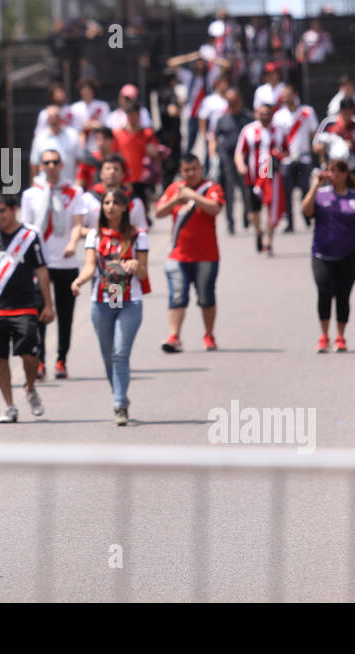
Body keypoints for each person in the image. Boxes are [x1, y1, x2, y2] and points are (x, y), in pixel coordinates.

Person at [0, 194, 53, 422]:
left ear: (14, 209)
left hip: (25, 307)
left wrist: (49, 304)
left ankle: (30, 388)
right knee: (0, 358)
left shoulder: (30, 235)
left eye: (2, 211)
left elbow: (42, 271)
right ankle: (9, 406)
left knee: (30, 356)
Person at [71, 189, 149, 427]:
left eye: (116, 202)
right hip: (104, 299)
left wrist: (136, 264)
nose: (110, 206)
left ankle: (118, 405)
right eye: (106, 202)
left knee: (120, 353)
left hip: (129, 299)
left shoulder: (137, 236)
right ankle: (121, 394)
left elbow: (145, 273)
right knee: (108, 356)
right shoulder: (95, 235)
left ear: (126, 207)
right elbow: (90, 267)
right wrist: (79, 281)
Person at [21, 149, 85, 379]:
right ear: (40, 166)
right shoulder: (31, 194)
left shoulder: (74, 191)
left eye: (55, 162)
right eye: (46, 162)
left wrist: (73, 242)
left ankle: (62, 359)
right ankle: (39, 360)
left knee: (65, 315)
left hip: (66, 262)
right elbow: (26, 229)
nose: (50, 166)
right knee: (39, 313)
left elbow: (78, 222)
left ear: (61, 165)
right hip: (41, 264)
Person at [302, 160, 355, 352]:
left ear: (344, 174)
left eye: (336, 172)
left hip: (349, 254)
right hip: (322, 253)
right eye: (330, 172)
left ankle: (340, 336)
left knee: (343, 295)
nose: (332, 175)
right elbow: (306, 210)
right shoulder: (320, 195)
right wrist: (314, 187)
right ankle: (324, 335)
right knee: (324, 292)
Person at [155, 154, 224, 353]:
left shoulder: (212, 188)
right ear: (181, 171)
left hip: (206, 255)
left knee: (206, 296)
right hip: (178, 254)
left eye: (194, 168)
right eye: (186, 170)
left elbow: (214, 208)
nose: (191, 173)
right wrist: (177, 199)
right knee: (177, 295)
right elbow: (159, 212)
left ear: (201, 168)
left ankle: (209, 334)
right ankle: (174, 336)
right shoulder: (175, 189)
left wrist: (193, 196)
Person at [235, 103, 287, 256]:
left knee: (271, 208)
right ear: (256, 113)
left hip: (271, 176)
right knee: (253, 213)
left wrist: (279, 155)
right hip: (252, 177)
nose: (265, 116)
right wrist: (241, 166)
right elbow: (240, 152)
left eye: (267, 113)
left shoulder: (278, 132)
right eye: (262, 113)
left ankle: (268, 242)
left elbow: (287, 151)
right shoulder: (249, 130)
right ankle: (259, 231)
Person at [273, 86, 319, 233]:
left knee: (305, 188)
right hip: (286, 159)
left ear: (295, 94)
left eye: (288, 95)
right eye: (283, 96)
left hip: (303, 157)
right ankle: (290, 222)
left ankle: (306, 214)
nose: (286, 98)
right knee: (287, 192)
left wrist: (318, 149)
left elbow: (314, 133)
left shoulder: (307, 112)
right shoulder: (279, 116)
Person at [313, 97, 355, 191]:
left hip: (354, 168)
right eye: (345, 111)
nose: (347, 114)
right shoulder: (329, 123)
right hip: (334, 168)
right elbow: (317, 144)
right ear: (340, 111)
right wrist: (324, 151)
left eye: (350, 111)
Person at [210, 90, 252, 235]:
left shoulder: (248, 118)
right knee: (229, 192)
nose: (232, 104)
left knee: (246, 189)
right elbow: (214, 138)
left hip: (243, 158)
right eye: (229, 102)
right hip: (227, 158)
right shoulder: (223, 120)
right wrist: (214, 156)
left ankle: (247, 215)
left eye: (234, 101)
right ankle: (230, 222)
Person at [111, 101, 162, 207]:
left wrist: (153, 152)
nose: (133, 117)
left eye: (135, 114)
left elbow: (157, 156)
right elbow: (113, 156)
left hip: (144, 179)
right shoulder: (117, 134)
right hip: (125, 179)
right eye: (130, 114)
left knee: (143, 209)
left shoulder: (147, 133)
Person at [30, 105, 80, 186]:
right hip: (45, 185)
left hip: (68, 184)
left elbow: (79, 160)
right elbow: (34, 163)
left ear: (61, 118)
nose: (54, 119)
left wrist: (78, 181)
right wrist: (33, 183)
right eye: (51, 116)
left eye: (56, 116)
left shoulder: (72, 135)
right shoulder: (40, 138)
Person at [68, 77, 111, 151]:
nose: (86, 92)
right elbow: (74, 129)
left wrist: (94, 125)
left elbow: (106, 125)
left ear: (93, 91)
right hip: (81, 145)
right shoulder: (74, 108)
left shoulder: (103, 106)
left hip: (98, 145)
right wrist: (85, 127)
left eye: (88, 90)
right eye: (83, 90)